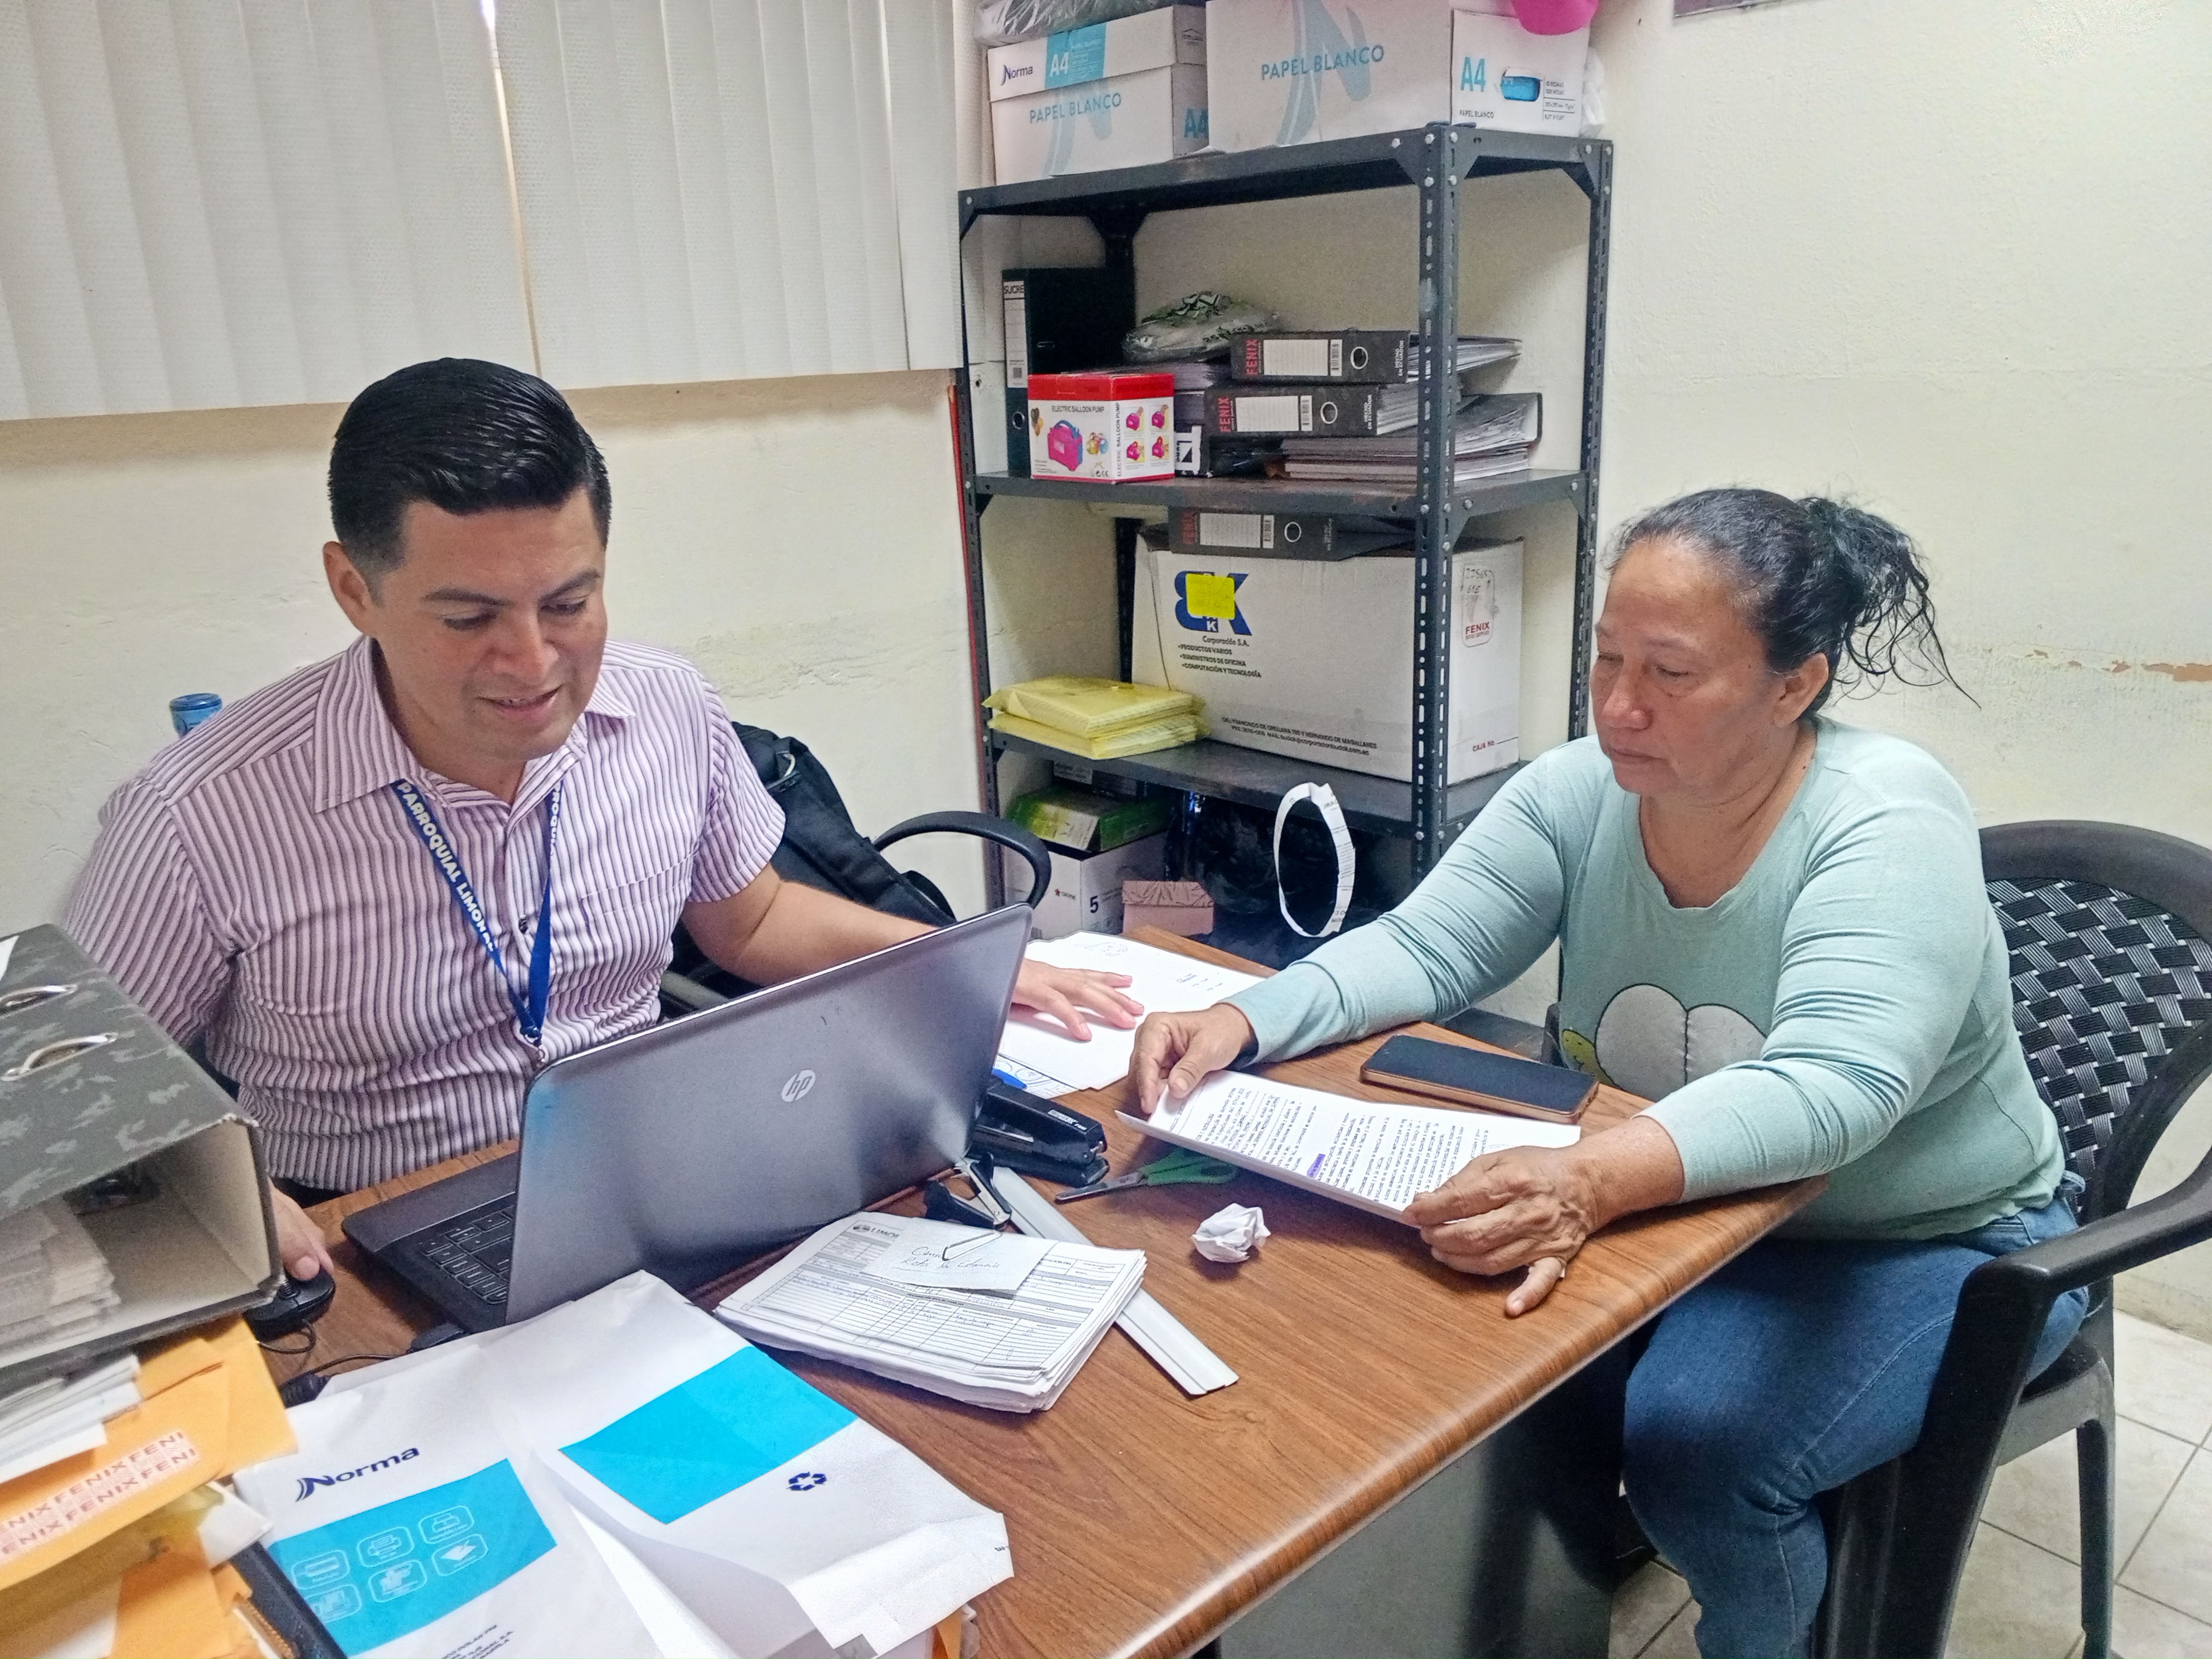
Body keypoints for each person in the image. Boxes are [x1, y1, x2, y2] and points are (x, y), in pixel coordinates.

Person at [1128, 488, 2088, 1659]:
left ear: (1796, 685)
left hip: (1925, 1244)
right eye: (1607, 659)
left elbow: (1837, 1084)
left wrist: (1586, 1181)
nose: (1621, 705)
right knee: (1423, 1350)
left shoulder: (1885, 818)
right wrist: (1242, 1018)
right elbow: (1430, 947)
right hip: (1695, 1212)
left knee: (1702, 1452)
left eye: (1671, 673)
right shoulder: (1582, 788)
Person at [63, 358, 1138, 1290]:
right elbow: (77, 1100)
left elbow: (751, 922)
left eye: (569, 605)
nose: (533, 663)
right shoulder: (200, 811)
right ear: (354, 588)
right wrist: (224, 1193)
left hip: (653, 1186)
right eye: (469, 618)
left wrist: (959, 965)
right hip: (366, 1234)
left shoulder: (664, 708)